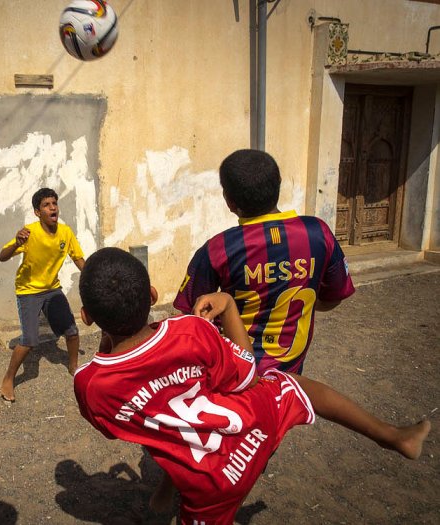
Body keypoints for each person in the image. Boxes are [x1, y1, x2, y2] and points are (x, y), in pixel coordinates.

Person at [74, 248, 430, 525]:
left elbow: (119, 422)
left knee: (163, 429)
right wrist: (228, 308)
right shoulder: (191, 331)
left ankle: (166, 493)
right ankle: (392, 436)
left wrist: (112, 351)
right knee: (291, 384)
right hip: (254, 432)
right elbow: (249, 377)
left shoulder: (90, 387)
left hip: (208, 487)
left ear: (86, 317)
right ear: (152, 295)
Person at [173, 149, 355, 375]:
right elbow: (334, 297)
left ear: (229, 201)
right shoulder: (319, 233)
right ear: (279, 184)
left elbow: (192, 316)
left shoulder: (217, 249)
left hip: (236, 374)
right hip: (290, 377)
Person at [0, 187, 85, 402]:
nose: (53, 207)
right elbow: (2, 256)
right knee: (29, 340)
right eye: (46, 205)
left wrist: (95, 275)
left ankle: (73, 367)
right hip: (28, 292)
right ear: (38, 212)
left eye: (54, 203)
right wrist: (16, 243)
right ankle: (8, 379)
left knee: (72, 331)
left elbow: (78, 259)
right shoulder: (29, 233)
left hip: (52, 289)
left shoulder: (65, 232)